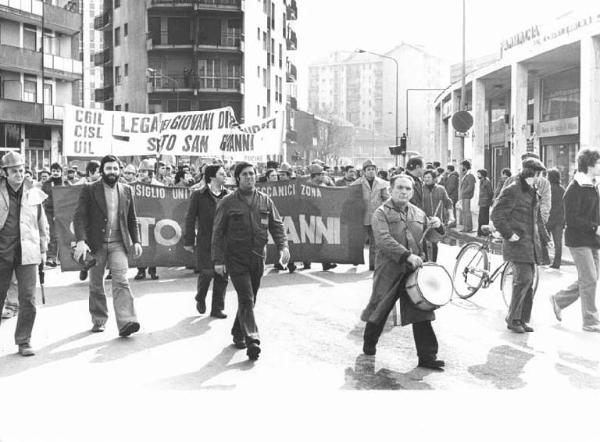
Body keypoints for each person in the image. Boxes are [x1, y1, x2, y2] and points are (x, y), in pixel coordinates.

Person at [361, 174, 446, 370]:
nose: (404, 192)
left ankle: (427, 357)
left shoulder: (418, 213)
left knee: (421, 311)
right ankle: (369, 344)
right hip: (389, 269)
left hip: (414, 271)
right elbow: (383, 240)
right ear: (391, 189)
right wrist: (407, 255)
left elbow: (431, 237)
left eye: (408, 189)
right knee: (380, 307)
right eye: (400, 187)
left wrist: (438, 226)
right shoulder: (380, 213)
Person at [212, 161, 289, 360]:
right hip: (235, 258)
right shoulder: (228, 202)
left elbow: (277, 226)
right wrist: (218, 260)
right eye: (245, 174)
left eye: (252, 174)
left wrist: (283, 247)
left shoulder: (265, 201)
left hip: (257, 257)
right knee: (246, 297)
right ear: (237, 178)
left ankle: (238, 332)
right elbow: (218, 233)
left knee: (250, 299)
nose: (249, 177)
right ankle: (252, 339)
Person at [73, 155, 143, 337]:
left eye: (115, 169)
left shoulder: (126, 190)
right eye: (108, 168)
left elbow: (132, 218)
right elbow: (79, 216)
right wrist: (81, 240)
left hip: (119, 244)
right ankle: (99, 320)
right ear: (102, 170)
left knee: (121, 280)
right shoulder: (90, 189)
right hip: (96, 245)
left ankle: (127, 321)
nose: (112, 172)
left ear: (119, 171)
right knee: (96, 284)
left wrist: (136, 241)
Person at [0, 152, 49, 356]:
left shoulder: (34, 193)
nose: (19, 174)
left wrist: (44, 249)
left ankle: (24, 340)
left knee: (28, 299)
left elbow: (42, 223)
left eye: (21, 170)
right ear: (4, 173)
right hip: (2, 252)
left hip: (28, 252)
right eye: (14, 171)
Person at [491, 158, 547, 333]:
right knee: (523, 279)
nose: (540, 178)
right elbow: (497, 214)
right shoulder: (513, 189)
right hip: (517, 243)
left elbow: (537, 218)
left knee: (528, 282)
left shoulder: (532, 191)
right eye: (538, 174)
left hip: (530, 244)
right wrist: (509, 234)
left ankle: (522, 319)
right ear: (530, 172)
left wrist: (546, 237)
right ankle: (513, 318)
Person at [550, 148, 600, 332]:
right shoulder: (575, 188)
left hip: (592, 239)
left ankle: (558, 300)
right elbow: (571, 219)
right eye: (599, 163)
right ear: (589, 165)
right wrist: (595, 226)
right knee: (590, 278)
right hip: (578, 239)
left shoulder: (592, 185)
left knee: (590, 279)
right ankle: (590, 321)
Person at [184, 165, 229, 319]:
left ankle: (217, 308)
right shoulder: (198, 195)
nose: (225, 175)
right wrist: (189, 241)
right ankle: (200, 296)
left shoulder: (228, 195)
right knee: (207, 272)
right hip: (205, 240)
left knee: (222, 275)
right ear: (212, 177)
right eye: (222, 173)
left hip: (224, 242)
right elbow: (190, 218)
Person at [350, 160, 389, 270]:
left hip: (376, 217)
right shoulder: (357, 183)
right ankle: (355, 259)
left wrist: (383, 208)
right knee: (358, 240)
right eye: (368, 169)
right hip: (361, 217)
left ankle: (373, 265)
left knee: (374, 243)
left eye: (373, 169)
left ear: (376, 170)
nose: (371, 171)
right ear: (363, 172)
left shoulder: (382, 183)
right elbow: (351, 198)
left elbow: (386, 198)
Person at [303, 164, 337, 271]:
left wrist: (330, 182)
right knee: (308, 240)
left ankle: (325, 263)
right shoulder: (307, 185)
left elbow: (335, 192)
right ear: (315, 175)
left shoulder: (324, 184)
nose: (322, 176)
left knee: (322, 239)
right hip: (308, 215)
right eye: (320, 174)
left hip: (320, 215)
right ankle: (306, 261)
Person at [135, 159, 161, 280]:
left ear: (150, 172)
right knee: (140, 244)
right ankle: (141, 270)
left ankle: (152, 269)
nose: (141, 173)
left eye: (144, 171)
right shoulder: (135, 186)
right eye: (140, 171)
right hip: (140, 220)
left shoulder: (159, 186)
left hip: (154, 220)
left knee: (153, 246)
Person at [422, 169, 454, 262]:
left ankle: (433, 263)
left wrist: (451, 216)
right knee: (423, 242)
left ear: (434, 179)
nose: (426, 179)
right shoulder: (420, 189)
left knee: (434, 242)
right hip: (423, 220)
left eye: (429, 177)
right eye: (425, 177)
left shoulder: (440, 189)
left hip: (436, 220)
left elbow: (448, 202)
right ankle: (425, 263)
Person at [41, 162, 65, 267]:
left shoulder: (65, 183)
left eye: (58, 171)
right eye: (54, 171)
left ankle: (60, 257)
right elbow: (42, 197)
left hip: (61, 212)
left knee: (62, 235)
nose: (55, 173)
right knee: (52, 234)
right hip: (49, 212)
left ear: (61, 172)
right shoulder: (46, 184)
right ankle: (51, 257)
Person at [546, 168, 565, 270]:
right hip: (559, 220)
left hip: (548, 219)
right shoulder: (562, 189)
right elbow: (565, 206)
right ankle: (557, 263)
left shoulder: (547, 188)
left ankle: (544, 259)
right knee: (558, 243)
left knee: (544, 240)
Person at [458, 160, 476, 233]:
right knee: (464, 212)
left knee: (467, 212)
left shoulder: (470, 175)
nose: (460, 168)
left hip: (467, 196)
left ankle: (468, 227)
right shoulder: (466, 175)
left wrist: (463, 192)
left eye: (462, 166)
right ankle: (465, 227)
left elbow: (470, 186)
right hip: (464, 196)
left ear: (465, 166)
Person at [476, 169, 494, 237]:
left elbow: (490, 192)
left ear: (482, 175)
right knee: (481, 218)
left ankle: (484, 233)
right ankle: (480, 232)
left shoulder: (486, 182)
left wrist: (489, 200)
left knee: (484, 218)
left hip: (485, 202)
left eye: (479, 174)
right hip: (482, 202)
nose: (478, 175)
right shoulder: (482, 181)